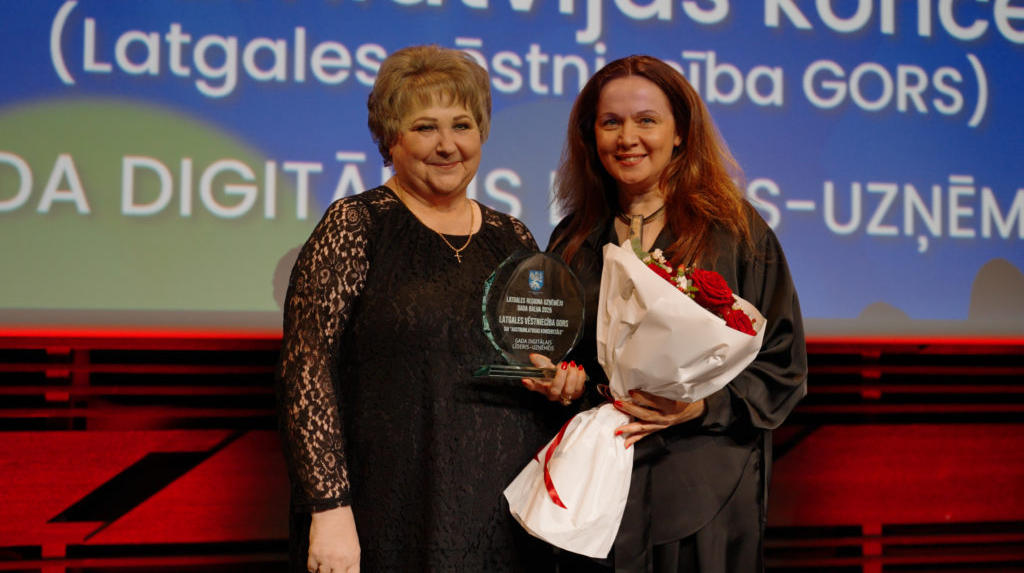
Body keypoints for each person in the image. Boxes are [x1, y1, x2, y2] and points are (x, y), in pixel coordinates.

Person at [274, 44, 586, 573]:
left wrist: (556, 383)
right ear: (390, 138)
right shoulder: (356, 224)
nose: (447, 145)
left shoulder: (512, 235)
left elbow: (528, 362)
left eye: (462, 125)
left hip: (504, 514)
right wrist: (329, 507)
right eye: (425, 128)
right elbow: (306, 368)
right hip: (388, 507)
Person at [547, 55, 808, 572]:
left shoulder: (736, 231)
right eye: (610, 122)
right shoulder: (572, 240)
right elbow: (559, 353)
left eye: (646, 120)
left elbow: (783, 363)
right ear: (591, 136)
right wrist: (561, 381)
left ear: (681, 133)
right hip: (596, 488)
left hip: (702, 486)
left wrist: (701, 406)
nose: (628, 138)